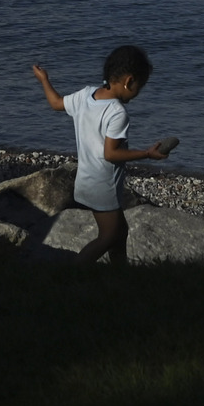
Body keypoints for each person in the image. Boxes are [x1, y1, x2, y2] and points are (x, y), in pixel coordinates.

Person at [29, 47, 178, 264]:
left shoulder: (85, 94)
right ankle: (72, 273)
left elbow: (56, 103)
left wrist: (44, 79)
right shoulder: (117, 113)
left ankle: (119, 271)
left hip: (86, 180)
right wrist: (147, 153)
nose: (137, 94)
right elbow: (110, 154)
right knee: (108, 236)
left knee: (120, 231)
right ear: (129, 81)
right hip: (102, 185)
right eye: (139, 88)